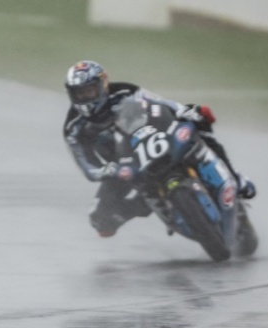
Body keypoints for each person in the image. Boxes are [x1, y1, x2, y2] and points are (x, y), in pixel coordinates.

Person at [62, 60, 254, 238]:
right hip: (123, 167)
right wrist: (110, 170)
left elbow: (160, 103)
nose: (84, 97)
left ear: (102, 84)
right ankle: (147, 204)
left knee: (200, 125)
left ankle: (235, 177)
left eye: (89, 91)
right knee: (100, 220)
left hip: (152, 139)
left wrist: (185, 111)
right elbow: (86, 166)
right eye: (79, 93)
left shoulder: (124, 91)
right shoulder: (73, 128)